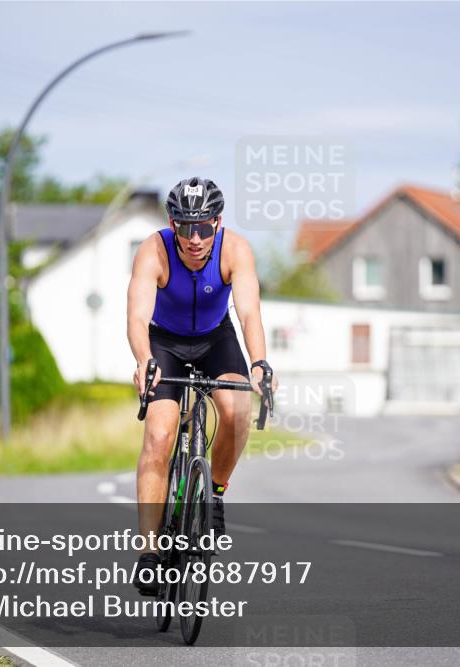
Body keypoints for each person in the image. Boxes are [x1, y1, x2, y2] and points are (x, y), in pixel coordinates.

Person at [126, 176, 277, 596]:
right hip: (165, 343)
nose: (194, 239)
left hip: (216, 339)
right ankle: (150, 552)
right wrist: (144, 360)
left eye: (204, 227)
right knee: (159, 436)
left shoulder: (235, 249)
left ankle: (214, 493)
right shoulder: (152, 251)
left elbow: (248, 312)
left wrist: (261, 363)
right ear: (172, 223)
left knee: (235, 410)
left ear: (218, 222)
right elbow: (137, 316)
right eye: (185, 227)